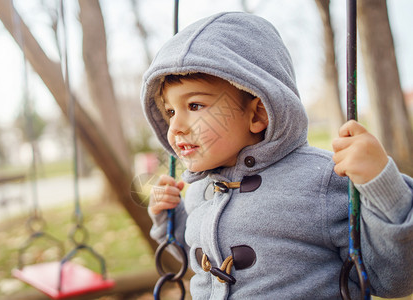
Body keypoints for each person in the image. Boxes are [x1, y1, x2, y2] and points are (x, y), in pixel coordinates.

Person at [140, 12, 413, 299]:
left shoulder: (322, 180)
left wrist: (381, 186)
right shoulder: (202, 190)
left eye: (195, 106)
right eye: (170, 111)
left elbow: (395, 278)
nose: (176, 127)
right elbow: (195, 257)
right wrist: (168, 219)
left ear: (258, 113)